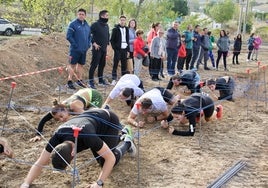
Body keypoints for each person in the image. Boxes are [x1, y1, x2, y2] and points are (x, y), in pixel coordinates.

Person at [20, 109, 136, 188]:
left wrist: (99, 183)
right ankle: (119, 137)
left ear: (72, 152)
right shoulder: (57, 137)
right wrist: (26, 184)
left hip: (108, 120)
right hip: (91, 120)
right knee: (102, 154)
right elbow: (41, 161)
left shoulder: (87, 136)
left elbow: (110, 158)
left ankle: (127, 140)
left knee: (107, 161)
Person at [30, 88, 103, 142]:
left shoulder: (75, 107)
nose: (61, 120)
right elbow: (43, 120)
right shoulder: (58, 108)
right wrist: (38, 135)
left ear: (65, 110)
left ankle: (105, 108)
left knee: (93, 114)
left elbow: (88, 118)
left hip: (94, 96)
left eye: (61, 116)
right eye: (58, 119)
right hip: (82, 95)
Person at [66, 8, 91, 90]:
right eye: (79, 14)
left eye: (82, 14)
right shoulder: (73, 24)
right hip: (74, 50)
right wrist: (75, 45)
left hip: (84, 50)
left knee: (81, 65)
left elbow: (89, 37)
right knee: (72, 65)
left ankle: (79, 80)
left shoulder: (87, 25)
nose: (81, 15)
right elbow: (68, 36)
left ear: (85, 16)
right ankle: (69, 81)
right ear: (77, 15)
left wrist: (88, 45)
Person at [88, 10, 110, 89]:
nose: (108, 17)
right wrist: (94, 43)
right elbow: (89, 34)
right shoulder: (95, 25)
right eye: (107, 15)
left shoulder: (106, 26)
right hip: (97, 49)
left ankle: (100, 80)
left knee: (102, 64)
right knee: (94, 64)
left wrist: (107, 46)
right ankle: (90, 81)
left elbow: (107, 37)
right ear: (102, 16)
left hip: (104, 49)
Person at [110, 15, 129, 83]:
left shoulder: (127, 29)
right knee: (115, 64)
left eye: (124, 20)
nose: (122, 21)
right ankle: (114, 79)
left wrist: (128, 50)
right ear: (119, 21)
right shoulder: (115, 29)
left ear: (125, 21)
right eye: (121, 20)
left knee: (124, 65)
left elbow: (127, 39)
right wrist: (115, 48)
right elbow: (111, 40)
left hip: (125, 49)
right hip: (118, 49)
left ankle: (123, 79)